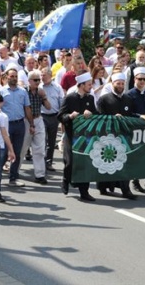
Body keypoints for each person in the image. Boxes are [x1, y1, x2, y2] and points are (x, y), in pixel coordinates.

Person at [58, 71, 97, 202]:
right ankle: (66, 179)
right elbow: (60, 116)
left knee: (85, 162)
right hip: (71, 135)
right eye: (89, 84)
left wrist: (91, 113)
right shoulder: (69, 98)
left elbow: (97, 115)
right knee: (70, 162)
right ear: (81, 85)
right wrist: (70, 116)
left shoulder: (90, 99)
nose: (91, 86)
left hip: (86, 136)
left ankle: (84, 191)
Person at [0, 67, 32, 187]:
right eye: (11, 76)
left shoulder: (23, 91)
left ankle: (13, 178)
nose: (14, 78)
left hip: (19, 124)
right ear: (6, 77)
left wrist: (31, 124)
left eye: (15, 76)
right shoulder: (1, 91)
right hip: (6, 126)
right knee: (4, 152)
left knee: (17, 152)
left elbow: (27, 108)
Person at [22, 70, 51, 184]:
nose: (38, 82)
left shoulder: (40, 92)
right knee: (23, 149)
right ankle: (14, 172)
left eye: (39, 79)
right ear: (29, 81)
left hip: (38, 119)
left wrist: (44, 97)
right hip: (26, 121)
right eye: (35, 80)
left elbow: (49, 107)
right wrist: (31, 124)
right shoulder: (24, 92)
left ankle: (40, 175)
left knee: (39, 149)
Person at [39, 67, 64, 172]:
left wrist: (60, 115)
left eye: (44, 75)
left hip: (54, 116)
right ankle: (41, 162)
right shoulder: (39, 87)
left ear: (50, 75)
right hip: (42, 116)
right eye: (41, 75)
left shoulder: (57, 87)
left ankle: (49, 162)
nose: (42, 77)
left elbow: (61, 101)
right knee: (42, 140)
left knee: (51, 141)